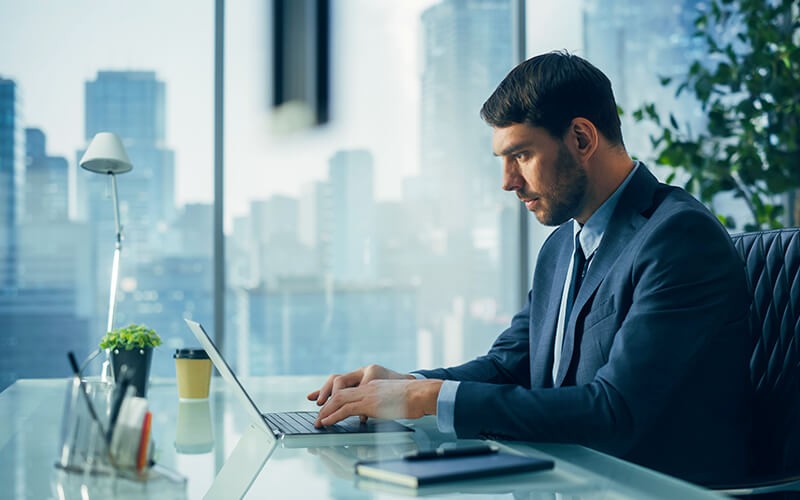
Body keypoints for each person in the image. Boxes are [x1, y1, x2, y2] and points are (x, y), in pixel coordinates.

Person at [307, 51, 752, 485]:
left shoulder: (678, 239)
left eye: (520, 155)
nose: (507, 181)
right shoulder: (561, 246)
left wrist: (427, 398)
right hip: (566, 478)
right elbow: (509, 367)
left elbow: (615, 412)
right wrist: (405, 385)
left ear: (581, 139)